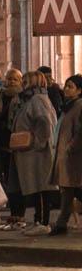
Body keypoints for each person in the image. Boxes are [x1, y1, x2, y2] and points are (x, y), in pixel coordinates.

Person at [10, 70, 56, 235]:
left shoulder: (37, 99)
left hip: (37, 153)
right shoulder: (31, 99)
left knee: (41, 187)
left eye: (26, 81)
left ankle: (42, 222)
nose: (23, 84)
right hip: (33, 153)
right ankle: (38, 221)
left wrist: (38, 142)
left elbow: (44, 122)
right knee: (37, 188)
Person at [0, 67, 26, 226]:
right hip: (0, 143)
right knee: (4, 179)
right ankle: (11, 213)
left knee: (17, 181)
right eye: (8, 79)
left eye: (14, 79)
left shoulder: (22, 98)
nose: (10, 82)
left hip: (16, 145)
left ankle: (19, 214)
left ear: (20, 82)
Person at [49, 74, 82, 236]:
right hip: (65, 155)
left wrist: (70, 148)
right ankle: (61, 223)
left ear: (79, 90)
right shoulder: (68, 106)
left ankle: (62, 223)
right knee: (67, 190)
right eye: (66, 86)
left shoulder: (79, 105)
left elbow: (79, 132)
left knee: (73, 188)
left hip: (74, 157)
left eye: (71, 87)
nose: (66, 89)